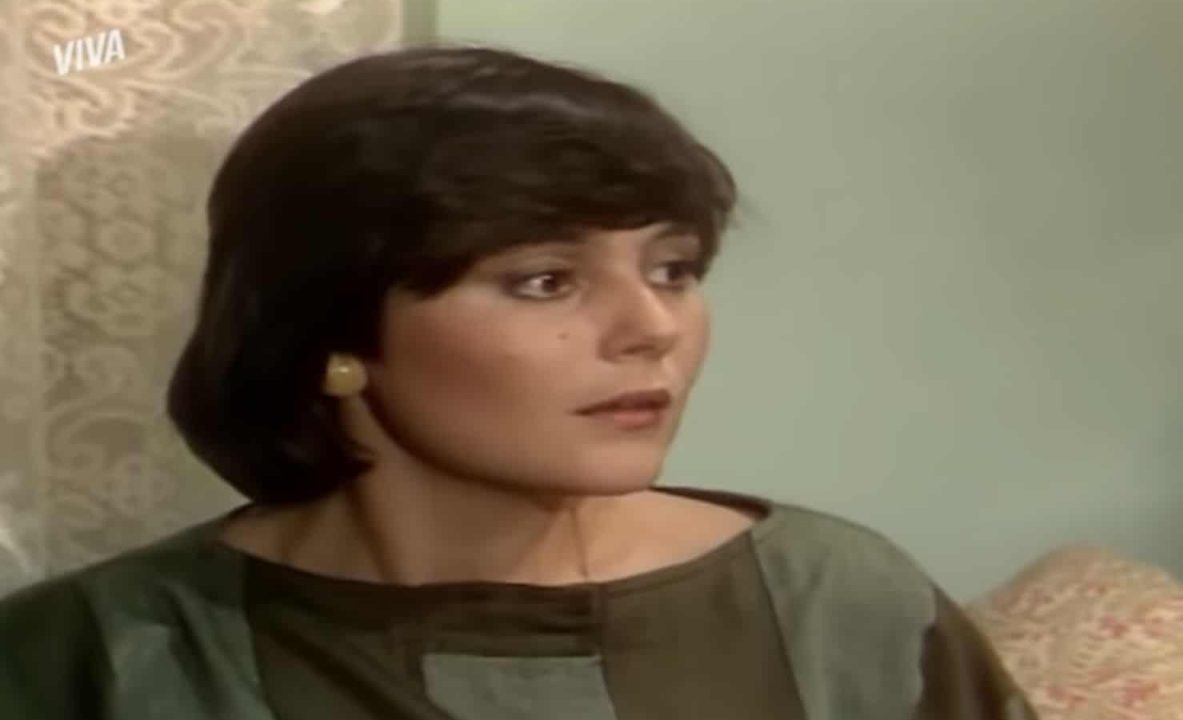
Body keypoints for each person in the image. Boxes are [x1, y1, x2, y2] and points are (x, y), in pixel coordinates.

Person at [0, 44, 1038, 720]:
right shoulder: (95, 658)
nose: (652, 328)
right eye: (544, 280)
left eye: (672, 268)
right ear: (332, 329)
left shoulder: (838, 605)